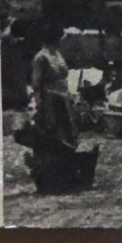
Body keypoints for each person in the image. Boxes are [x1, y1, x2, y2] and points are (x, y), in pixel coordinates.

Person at [28, 21, 79, 152]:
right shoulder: (41, 57)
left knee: (69, 129)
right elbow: (36, 83)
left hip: (64, 96)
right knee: (53, 130)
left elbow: (64, 74)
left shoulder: (57, 54)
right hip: (50, 98)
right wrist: (39, 103)